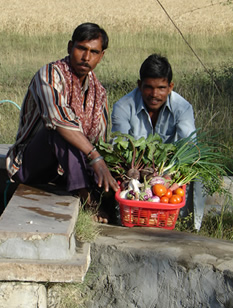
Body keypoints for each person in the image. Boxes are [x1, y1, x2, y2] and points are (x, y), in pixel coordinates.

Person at [6, 22, 119, 222]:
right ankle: (87, 199)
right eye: (81, 49)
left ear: (101, 56)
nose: (86, 57)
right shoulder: (50, 75)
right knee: (59, 129)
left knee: (105, 164)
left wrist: (99, 160)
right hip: (32, 164)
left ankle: (102, 198)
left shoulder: (99, 92)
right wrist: (95, 157)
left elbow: (99, 140)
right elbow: (58, 120)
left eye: (94, 52)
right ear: (70, 47)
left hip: (67, 169)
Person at [111, 53, 205, 230]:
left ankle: (190, 225)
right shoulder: (123, 106)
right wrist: (136, 172)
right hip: (135, 170)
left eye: (161, 88)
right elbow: (119, 145)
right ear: (139, 85)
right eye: (149, 87)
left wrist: (171, 174)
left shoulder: (182, 107)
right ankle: (120, 218)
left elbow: (190, 147)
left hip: (169, 166)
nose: (154, 94)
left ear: (170, 87)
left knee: (197, 171)